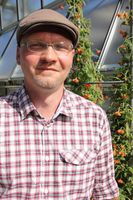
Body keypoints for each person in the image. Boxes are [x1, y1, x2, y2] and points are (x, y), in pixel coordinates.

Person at [0, 9, 119, 200]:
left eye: (60, 46)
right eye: (36, 46)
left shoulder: (94, 118)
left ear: (72, 56)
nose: (49, 57)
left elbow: (105, 194)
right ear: (18, 55)